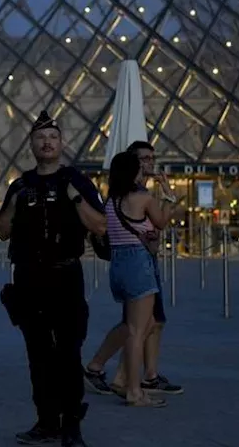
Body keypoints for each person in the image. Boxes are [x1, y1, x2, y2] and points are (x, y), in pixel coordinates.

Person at [0, 110, 106, 446]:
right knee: (38, 355)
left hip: (65, 276)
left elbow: (99, 225)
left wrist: (74, 197)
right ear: (31, 143)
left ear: (62, 143)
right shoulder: (20, 185)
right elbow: (1, 231)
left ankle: (71, 425)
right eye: (41, 137)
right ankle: (45, 421)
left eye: (53, 137)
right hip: (29, 278)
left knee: (69, 354)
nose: (47, 142)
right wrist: (13, 203)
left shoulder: (78, 181)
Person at [84, 141, 183, 397]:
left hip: (119, 265)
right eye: (143, 161)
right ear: (133, 167)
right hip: (139, 264)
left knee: (139, 324)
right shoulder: (143, 197)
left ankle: (121, 377)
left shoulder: (111, 200)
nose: (148, 165)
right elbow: (160, 223)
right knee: (137, 329)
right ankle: (133, 389)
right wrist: (169, 195)